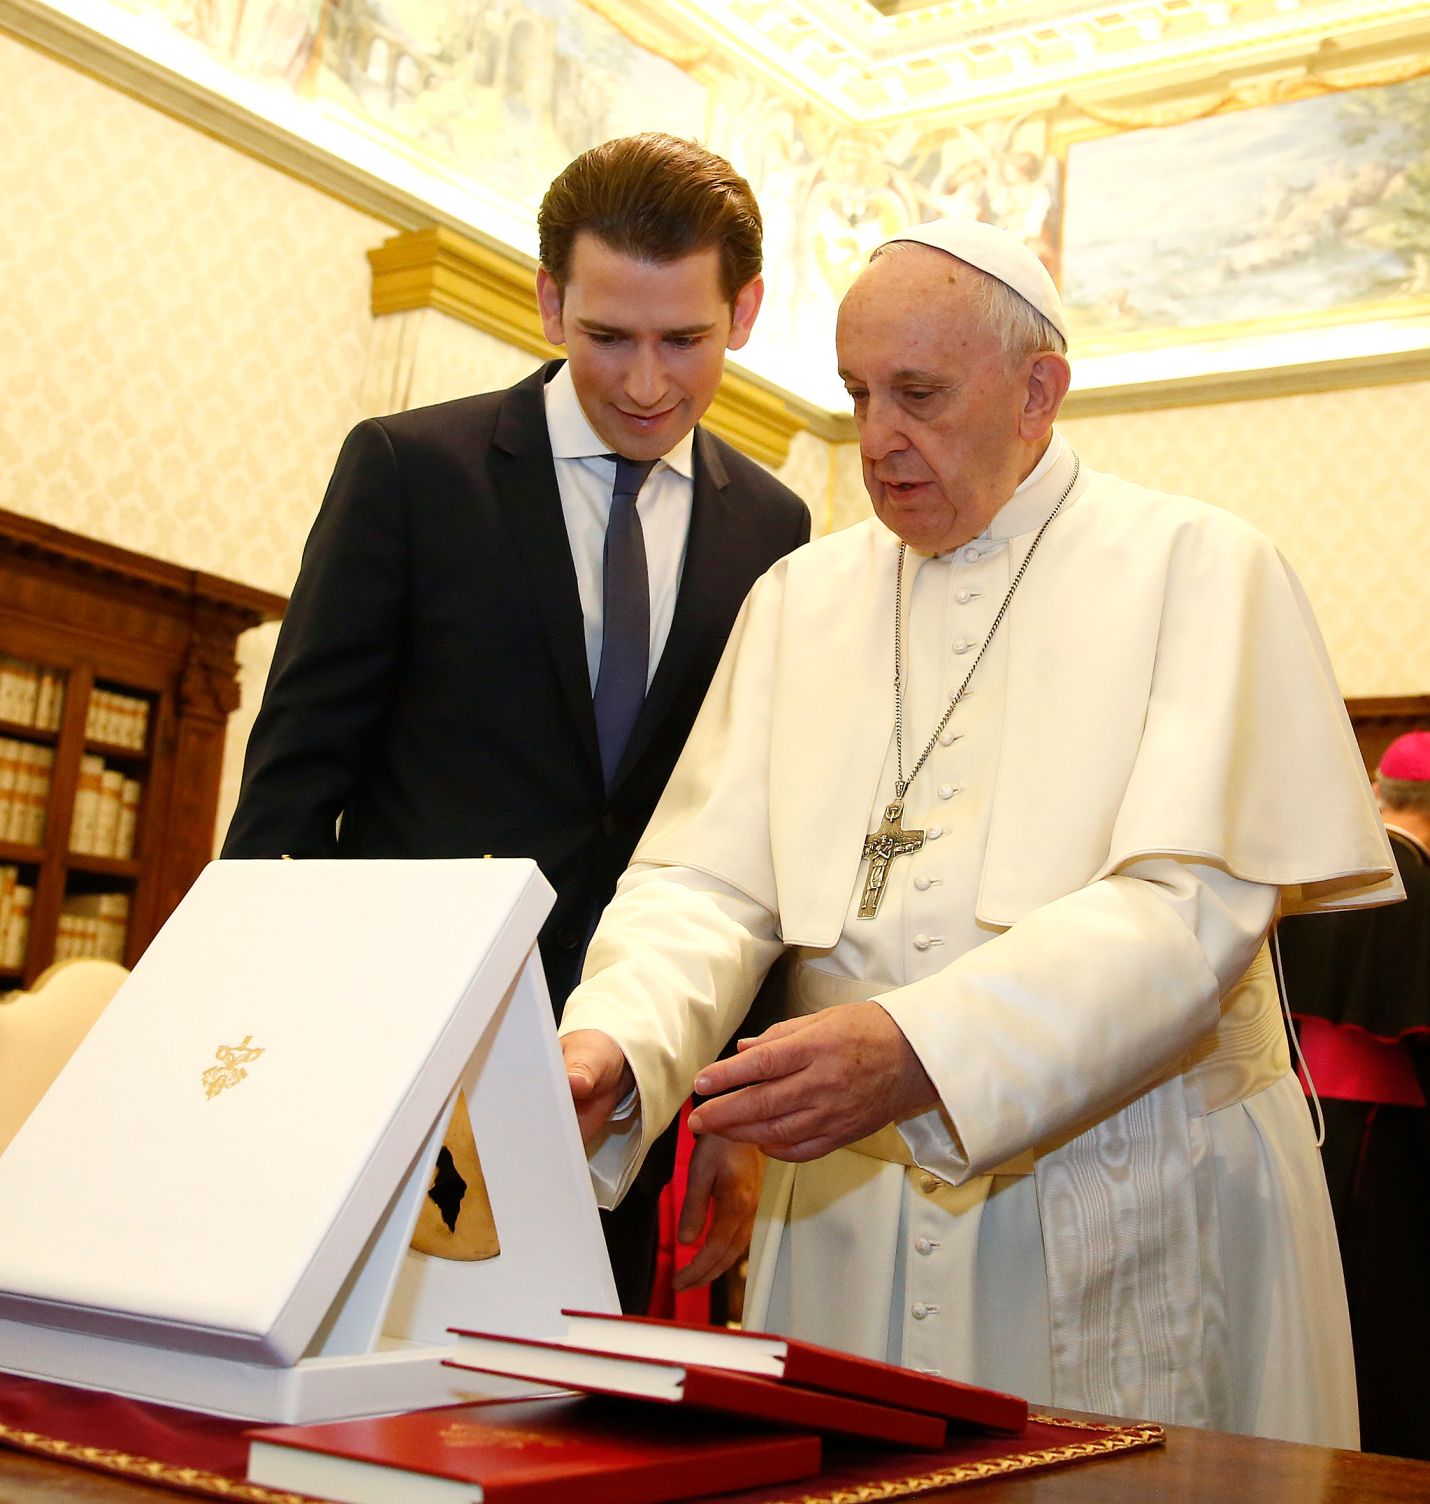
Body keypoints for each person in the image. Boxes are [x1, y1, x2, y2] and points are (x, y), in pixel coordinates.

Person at [559, 217, 1401, 1443]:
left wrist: (918, 1045)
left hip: (1133, 1194)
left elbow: (1186, 911)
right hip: (842, 1209)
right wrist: (617, 1040)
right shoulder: (799, 602)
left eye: (918, 392)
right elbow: (702, 878)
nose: (877, 437)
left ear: (1036, 390)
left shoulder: (1198, 568)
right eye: (855, 393)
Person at [223, 132, 812, 1309]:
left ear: (743, 311)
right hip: (392, 1052)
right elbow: (289, 790)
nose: (646, 382)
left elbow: (765, 839)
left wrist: (737, 1124)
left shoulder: (776, 531)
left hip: (626, 1088)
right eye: (607, 336)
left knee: (562, 1430)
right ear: (549, 301)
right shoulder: (409, 470)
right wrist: (259, 1049)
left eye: (683, 340)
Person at [1279, 730, 1430, 1459]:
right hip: (1385, 1117)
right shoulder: (1415, 877)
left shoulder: (1335, 859)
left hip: (1302, 1107)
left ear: (1380, 789)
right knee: (1384, 1301)